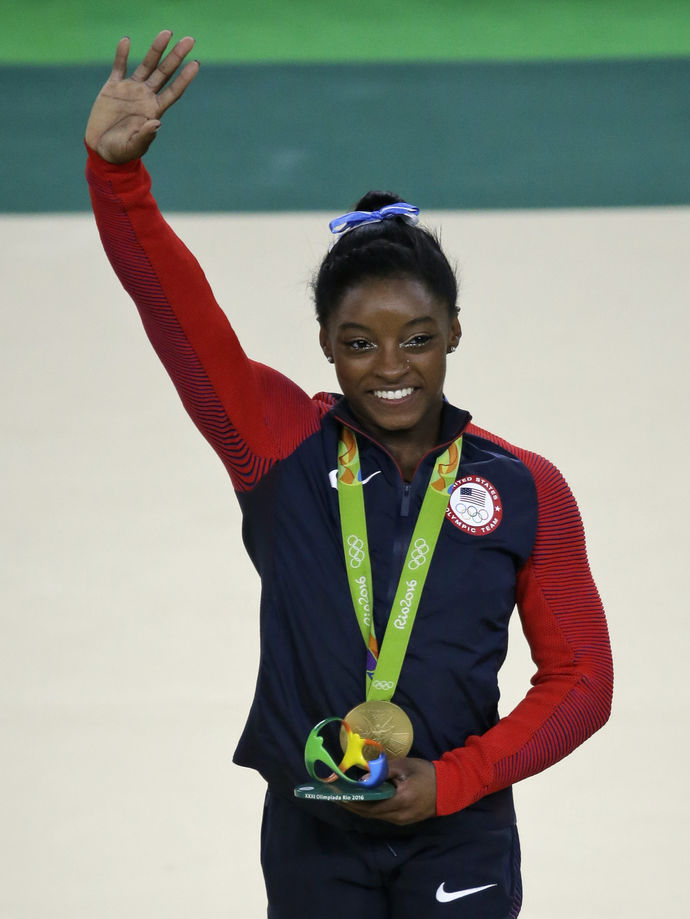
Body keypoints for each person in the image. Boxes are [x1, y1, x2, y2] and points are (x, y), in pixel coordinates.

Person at [85, 31, 612, 919]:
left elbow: (582, 680)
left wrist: (454, 781)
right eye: (359, 343)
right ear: (326, 345)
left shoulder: (524, 487)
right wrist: (117, 180)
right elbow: (178, 317)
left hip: (461, 823)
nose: (390, 365)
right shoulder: (277, 445)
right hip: (314, 826)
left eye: (416, 336)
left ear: (453, 332)